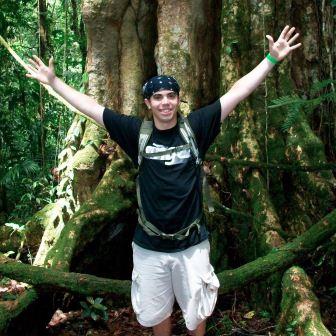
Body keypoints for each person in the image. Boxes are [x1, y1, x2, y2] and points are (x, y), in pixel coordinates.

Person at [26, 25, 301, 336]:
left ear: (179, 99)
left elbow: (237, 91)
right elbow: (92, 108)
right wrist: (54, 82)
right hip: (149, 247)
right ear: (148, 103)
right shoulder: (136, 133)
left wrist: (271, 59)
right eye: (158, 97)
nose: (165, 102)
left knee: (197, 312)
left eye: (171, 95)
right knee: (158, 312)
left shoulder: (196, 127)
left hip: (192, 246)